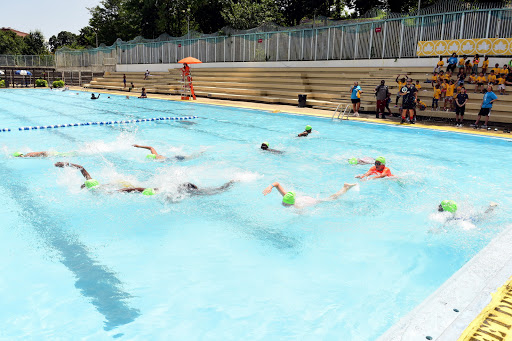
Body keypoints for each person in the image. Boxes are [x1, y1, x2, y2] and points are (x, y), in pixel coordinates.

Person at [54, 162, 235, 197]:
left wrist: (67, 164)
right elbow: (83, 169)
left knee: (181, 191)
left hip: (146, 190)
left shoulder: (93, 187)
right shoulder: (96, 186)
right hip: (145, 189)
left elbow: (84, 171)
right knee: (190, 192)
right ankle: (227, 185)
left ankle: (227, 185)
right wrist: (67, 165)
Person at [262, 182, 356, 209]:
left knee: (332, 199)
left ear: (291, 204)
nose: (284, 204)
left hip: (311, 201)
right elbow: (277, 184)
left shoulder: (298, 206)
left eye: (285, 204)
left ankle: (345, 188)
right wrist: (270, 187)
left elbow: (302, 216)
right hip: (306, 198)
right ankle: (345, 187)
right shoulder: (287, 195)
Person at [133, 144, 202, 161]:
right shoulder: (157, 155)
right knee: (189, 157)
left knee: (190, 158)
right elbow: (151, 147)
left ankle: (199, 153)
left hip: (173, 159)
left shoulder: (157, 159)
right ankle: (200, 153)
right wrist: (139, 146)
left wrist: (139, 146)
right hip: (175, 157)